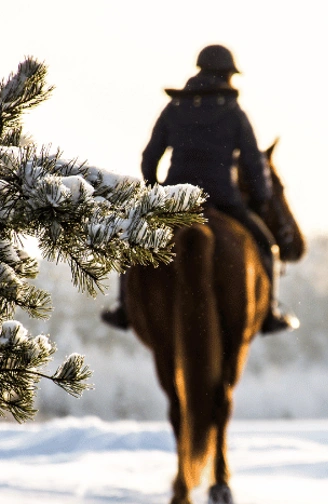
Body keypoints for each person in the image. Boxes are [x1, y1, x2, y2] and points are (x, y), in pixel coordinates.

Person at [102, 44, 297, 334]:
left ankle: (124, 308)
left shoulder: (174, 109)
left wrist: (156, 192)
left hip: (175, 198)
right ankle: (269, 312)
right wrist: (259, 200)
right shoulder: (235, 113)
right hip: (224, 199)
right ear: (226, 74)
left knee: (133, 241)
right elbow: (254, 165)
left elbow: (149, 157)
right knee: (267, 247)